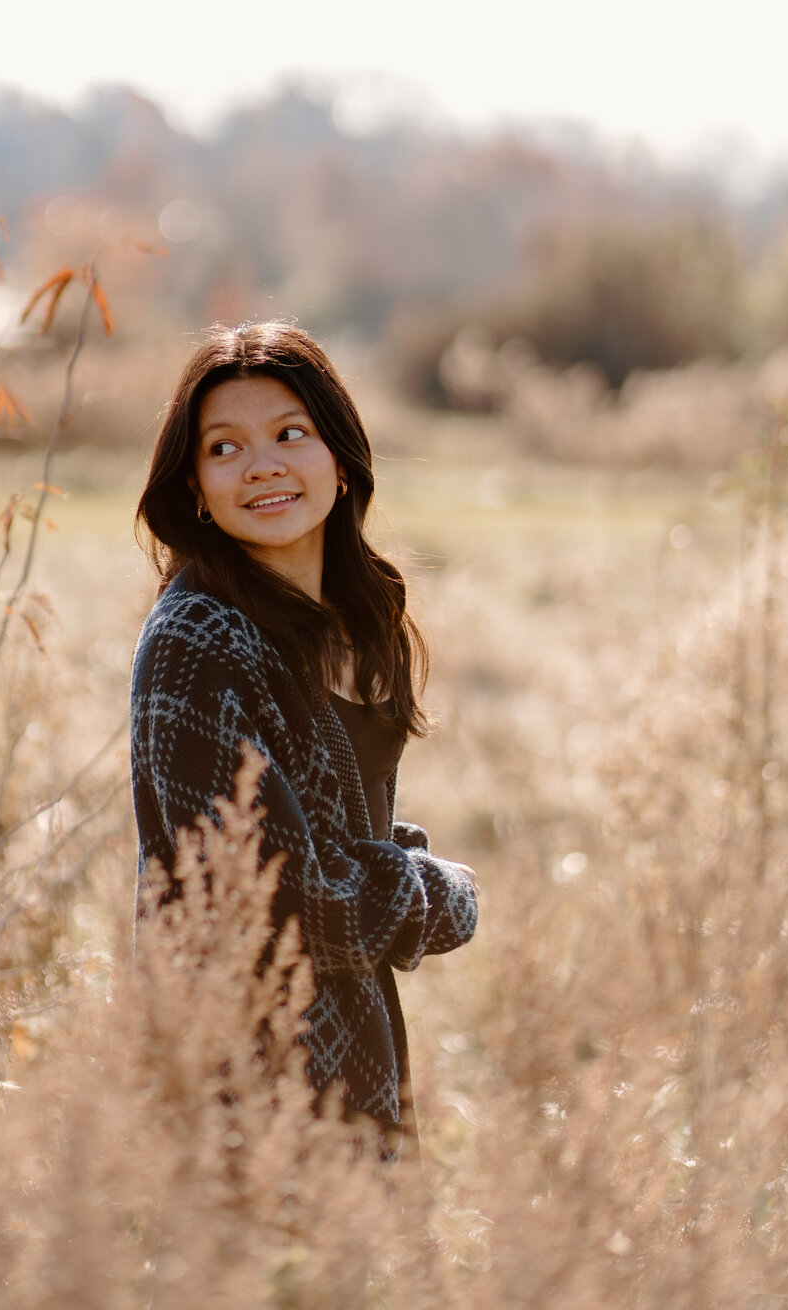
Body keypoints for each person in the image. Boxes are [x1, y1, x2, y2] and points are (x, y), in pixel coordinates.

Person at [130, 320, 478, 1143]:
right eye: (225, 448)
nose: (263, 466)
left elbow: (330, 830)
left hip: (355, 1055)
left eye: (291, 434)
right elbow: (276, 904)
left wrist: (392, 857)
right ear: (195, 486)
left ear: (339, 455)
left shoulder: (358, 620)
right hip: (241, 1084)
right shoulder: (197, 642)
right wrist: (438, 895)